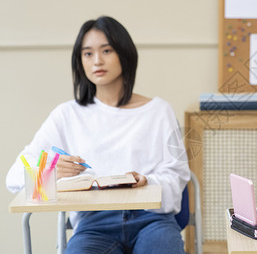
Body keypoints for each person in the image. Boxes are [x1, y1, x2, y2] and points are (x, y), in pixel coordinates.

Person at [6, 16, 190, 253]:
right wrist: (49, 173)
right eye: (88, 54)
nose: (97, 61)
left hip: (153, 221)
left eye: (107, 50)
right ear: (80, 61)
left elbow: (177, 176)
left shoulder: (158, 111)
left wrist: (148, 182)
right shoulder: (67, 115)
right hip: (94, 225)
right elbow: (13, 179)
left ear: (125, 54)